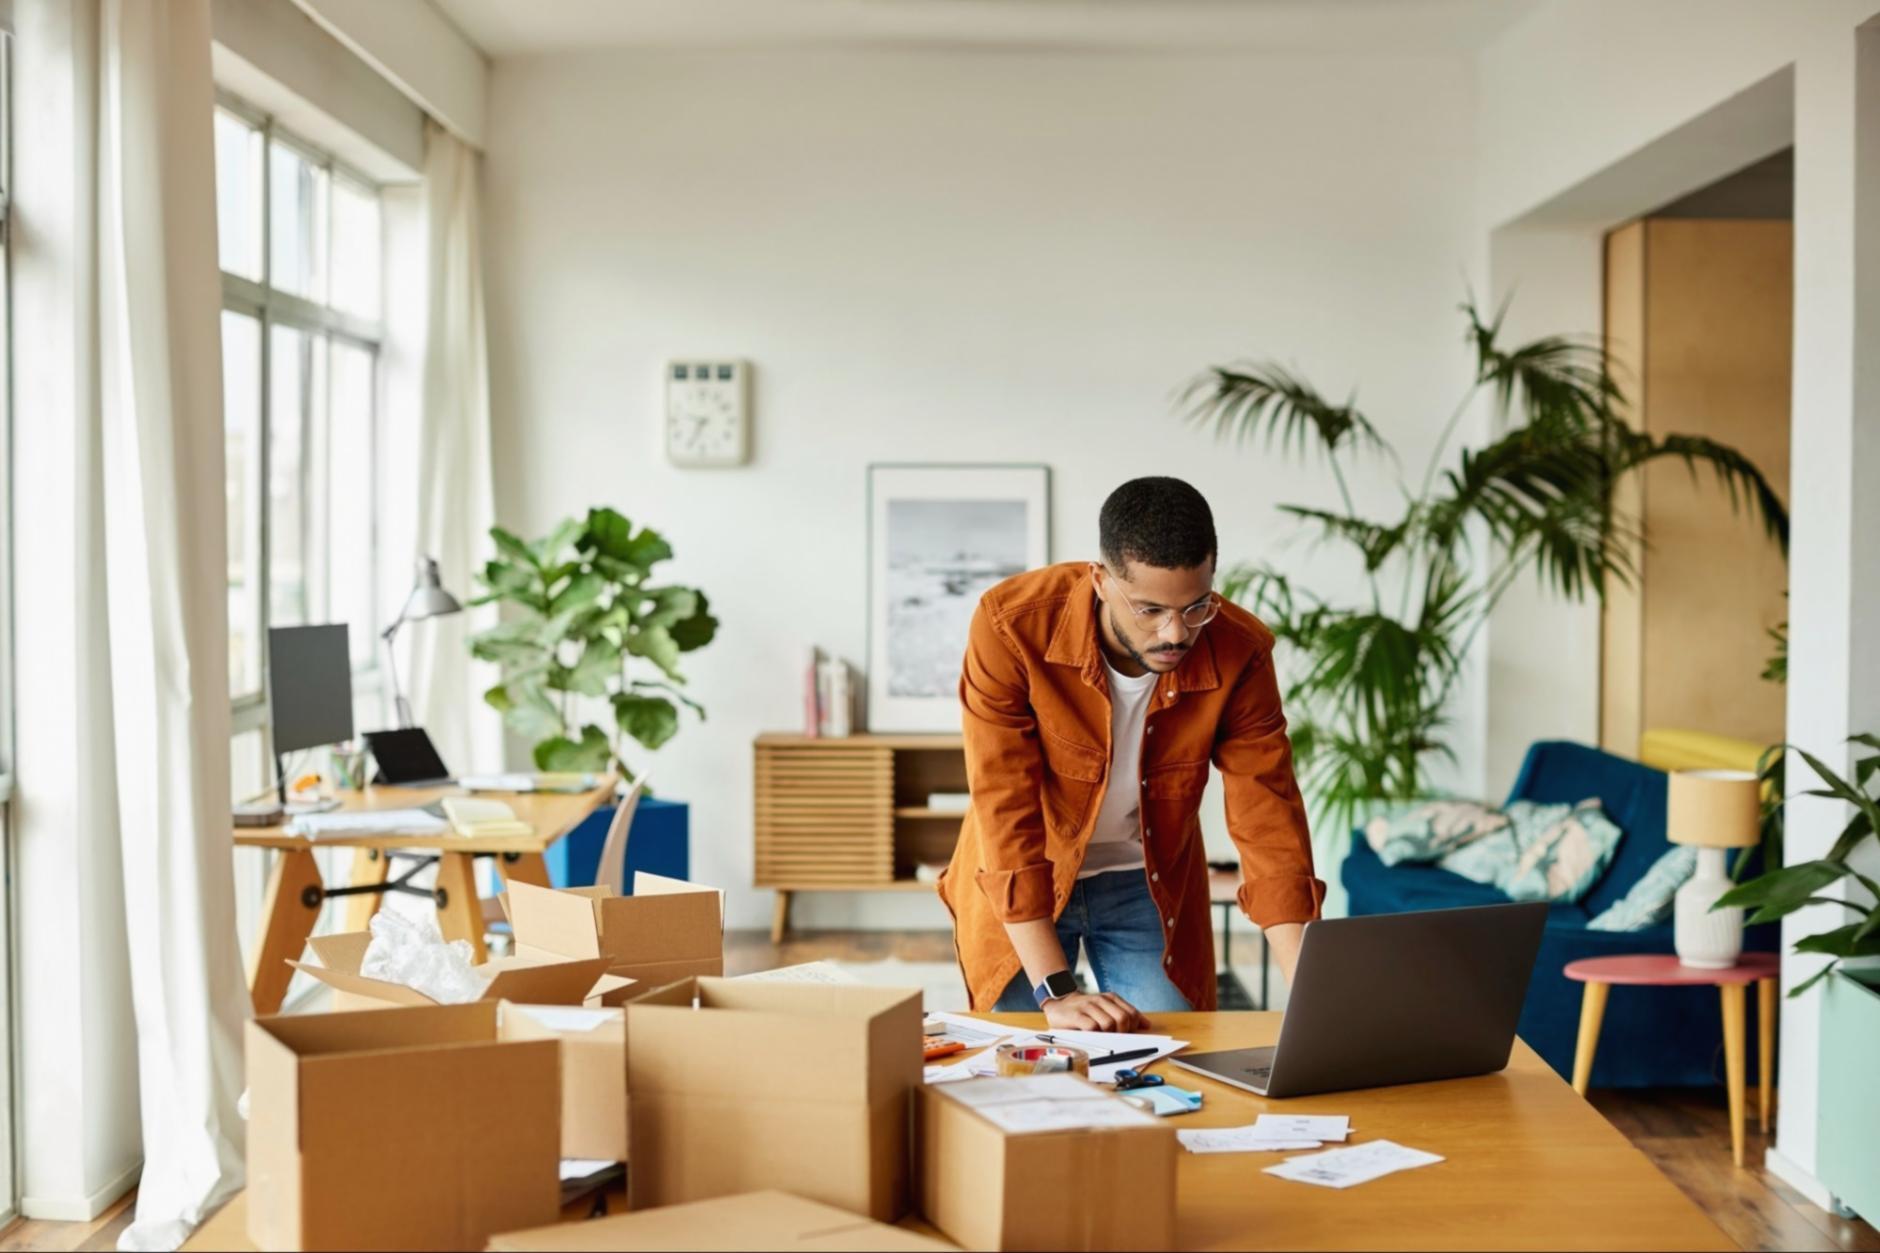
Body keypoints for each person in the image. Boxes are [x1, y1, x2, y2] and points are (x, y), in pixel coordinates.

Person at [937, 476, 1323, 1030]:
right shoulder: (1011, 626)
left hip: (1148, 884)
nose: (1176, 633)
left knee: (1175, 1059)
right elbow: (1004, 802)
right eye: (1148, 610)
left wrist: (1310, 998)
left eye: (1196, 606)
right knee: (1023, 1063)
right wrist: (1056, 992)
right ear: (1100, 580)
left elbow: (1270, 817)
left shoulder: (1241, 652)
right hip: (1026, 878)